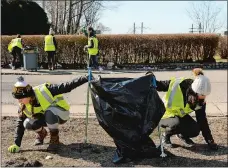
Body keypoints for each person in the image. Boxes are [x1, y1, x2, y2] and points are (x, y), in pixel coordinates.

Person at [8, 75, 89, 153]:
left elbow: (67, 87)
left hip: (61, 114)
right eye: (18, 98)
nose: (19, 101)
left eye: (21, 98)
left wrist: (84, 78)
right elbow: (20, 125)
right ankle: (42, 133)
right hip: (46, 118)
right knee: (27, 123)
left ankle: (54, 139)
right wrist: (16, 144)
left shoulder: (45, 90)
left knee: (49, 112)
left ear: (29, 95)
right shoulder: (23, 105)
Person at [147, 68, 218, 150]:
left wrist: (210, 140)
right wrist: (150, 79)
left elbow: (202, 120)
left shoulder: (199, 100)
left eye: (204, 96)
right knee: (177, 123)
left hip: (178, 116)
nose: (202, 98)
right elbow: (159, 85)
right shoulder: (178, 84)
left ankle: (182, 135)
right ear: (194, 91)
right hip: (164, 115)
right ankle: (165, 136)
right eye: (201, 95)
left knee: (195, 129)